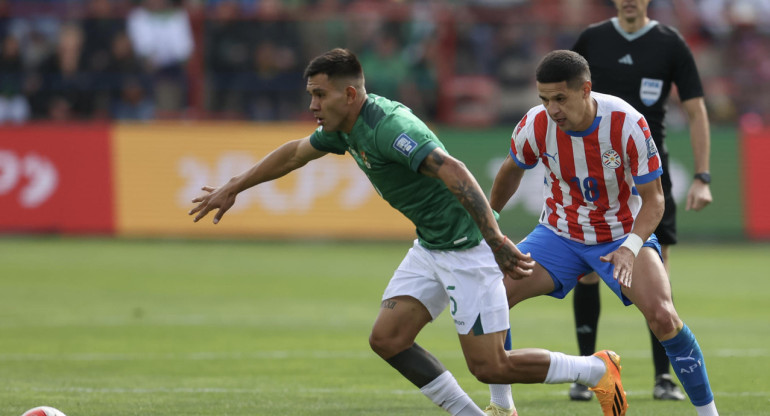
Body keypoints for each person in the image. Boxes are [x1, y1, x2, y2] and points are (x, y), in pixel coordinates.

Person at [189, 48, 629, 416]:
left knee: (491, 367)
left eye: (319, 95)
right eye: (311, 96)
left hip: (466, 249)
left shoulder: (388, 128)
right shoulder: (343, 129)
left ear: (349, 93)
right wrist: (233, 187)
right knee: (388, 339)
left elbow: (453, 169)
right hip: (431, 245)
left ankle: (595, 370)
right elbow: (293, 155)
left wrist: (493, 238)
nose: (313, 106)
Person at [489, 49, 718, 416]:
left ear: (585, 90)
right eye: (544, 99)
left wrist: (630, 246)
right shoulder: (535, 124)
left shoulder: (627, 123)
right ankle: (501, 407)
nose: (552, 109)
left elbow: (654, 201)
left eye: (560, 98)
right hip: (559, 234)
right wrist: (489, 223)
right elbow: (511, 170)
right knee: (490, 296)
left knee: (663, 316)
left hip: (620, 234)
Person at [567, 0, 713, 401]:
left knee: (656, 273)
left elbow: (696, 110)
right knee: (588, 267)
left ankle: (662, 378)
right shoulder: (592, 40)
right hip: (595, 172)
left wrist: (702, 176)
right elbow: (561, 95)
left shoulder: (670, 43)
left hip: (650, 174)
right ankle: (585, 375)